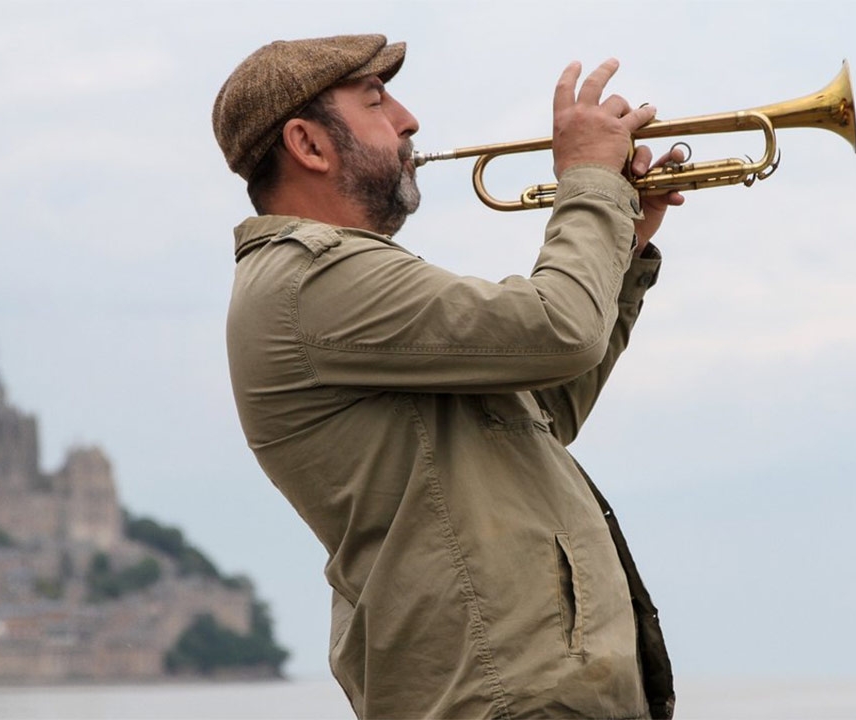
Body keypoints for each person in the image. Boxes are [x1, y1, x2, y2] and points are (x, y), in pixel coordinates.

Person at [212, 34, 683, 719]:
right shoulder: (312, 276)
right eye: (376, 100)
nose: (408, 120)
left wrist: (626, 238)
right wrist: (587, 182)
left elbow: (542, 412)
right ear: (309, 145)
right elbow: (562, 327)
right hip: (499, 696)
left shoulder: (336, 279)